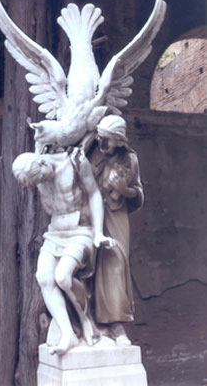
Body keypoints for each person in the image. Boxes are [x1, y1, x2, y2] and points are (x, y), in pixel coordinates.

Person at [12, 148, 115, 355]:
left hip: (80, 231)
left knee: (63, 277)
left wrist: (97, 233)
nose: (43, 182)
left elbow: (94, 193)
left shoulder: (74, 162)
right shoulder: (38, 175)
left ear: (42, 162)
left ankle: (87, 323)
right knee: (43, 277)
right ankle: (68, 334)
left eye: (42, 177)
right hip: (55, 234)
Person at [88, 115, 144, 343]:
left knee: (115, 264)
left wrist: (124, 189)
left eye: (107, 140)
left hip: (116, 215)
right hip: (89, 215)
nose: (102, 143)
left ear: (119, 141)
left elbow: (138, 195)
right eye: (100, 138)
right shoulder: (91, 153)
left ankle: (116, 324)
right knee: (88, 262)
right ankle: (90, 321)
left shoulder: (130, 159)